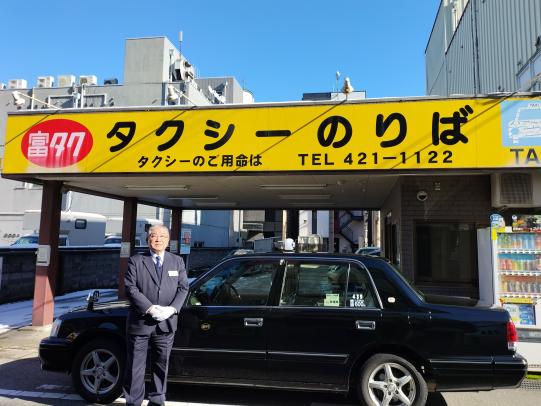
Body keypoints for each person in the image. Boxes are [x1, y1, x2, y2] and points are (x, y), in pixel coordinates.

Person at [123, 224, 189, 406]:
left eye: (162, 236)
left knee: (161, 365)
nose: (158, 239)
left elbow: (184, 287)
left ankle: (157, 401)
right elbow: (130, 288)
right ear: (148, 239)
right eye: (154, 235)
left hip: (166, 323)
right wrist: (149, 308)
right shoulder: (136, 261)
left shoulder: (177, 261)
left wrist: (172, 309)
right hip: (141, 323)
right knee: (135, 367)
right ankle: (133, 402)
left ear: (168, 241)